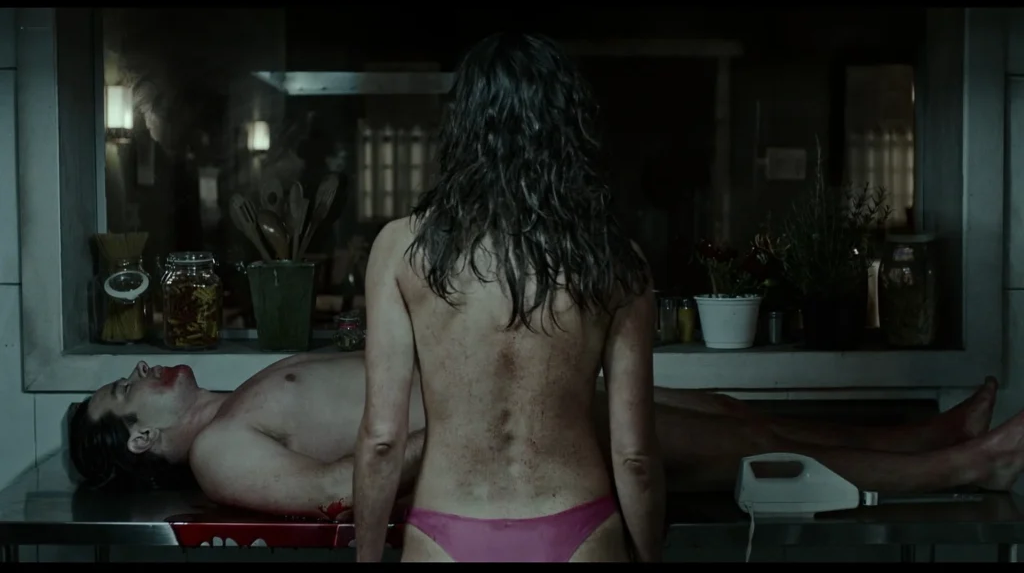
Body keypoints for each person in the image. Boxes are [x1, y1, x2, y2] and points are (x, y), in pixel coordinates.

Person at [353, 32, 663, 563]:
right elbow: (634, 455)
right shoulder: (615, 258)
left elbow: (383, 439)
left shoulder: (401, 249)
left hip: (447, 530)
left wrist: (365, 558)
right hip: (577, 525)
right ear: (568, 128)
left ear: (462, 125)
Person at [69, 356, 1024, 521]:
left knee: (734, 415)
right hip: (507, 437)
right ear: (141, 441)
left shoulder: (232, 406)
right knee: (736, 450)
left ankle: (931, 433)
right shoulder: (220, 453)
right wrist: (459, 422)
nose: (137, 370)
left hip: (516, 397)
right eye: (122, 392)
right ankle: (972, 465)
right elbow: (331, 493)